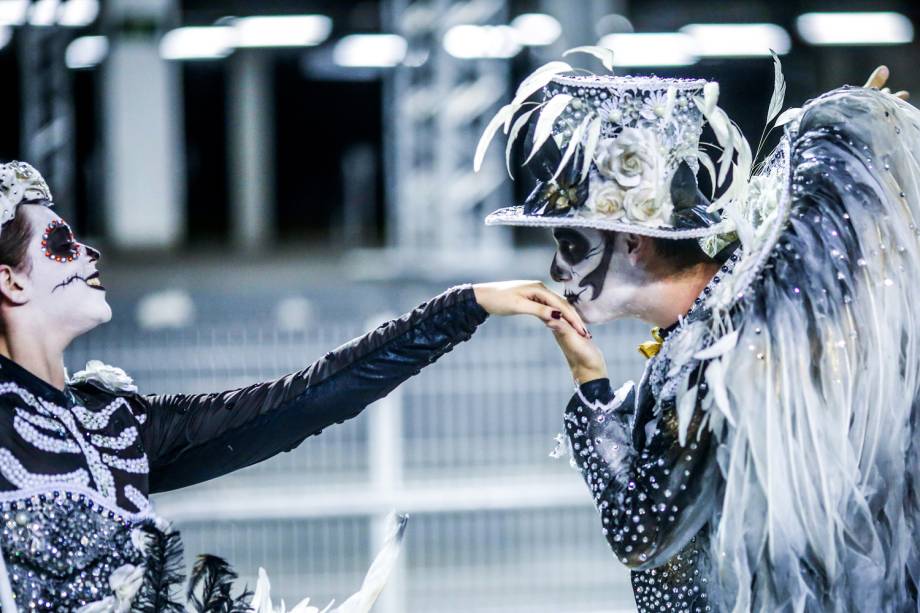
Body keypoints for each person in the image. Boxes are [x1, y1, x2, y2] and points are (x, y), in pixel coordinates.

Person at [0, 160, 587, 611]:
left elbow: (301, 400)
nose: (90, 252)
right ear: (11, 282)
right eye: (60, 244)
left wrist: (465, 305)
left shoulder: (113, 421)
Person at [478, 47, 919, 611]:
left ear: (633, 243)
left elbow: (640, 536)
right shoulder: (728, 315)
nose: (558, 272)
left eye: (571, 246)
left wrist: (590, 391)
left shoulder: (713, 357)